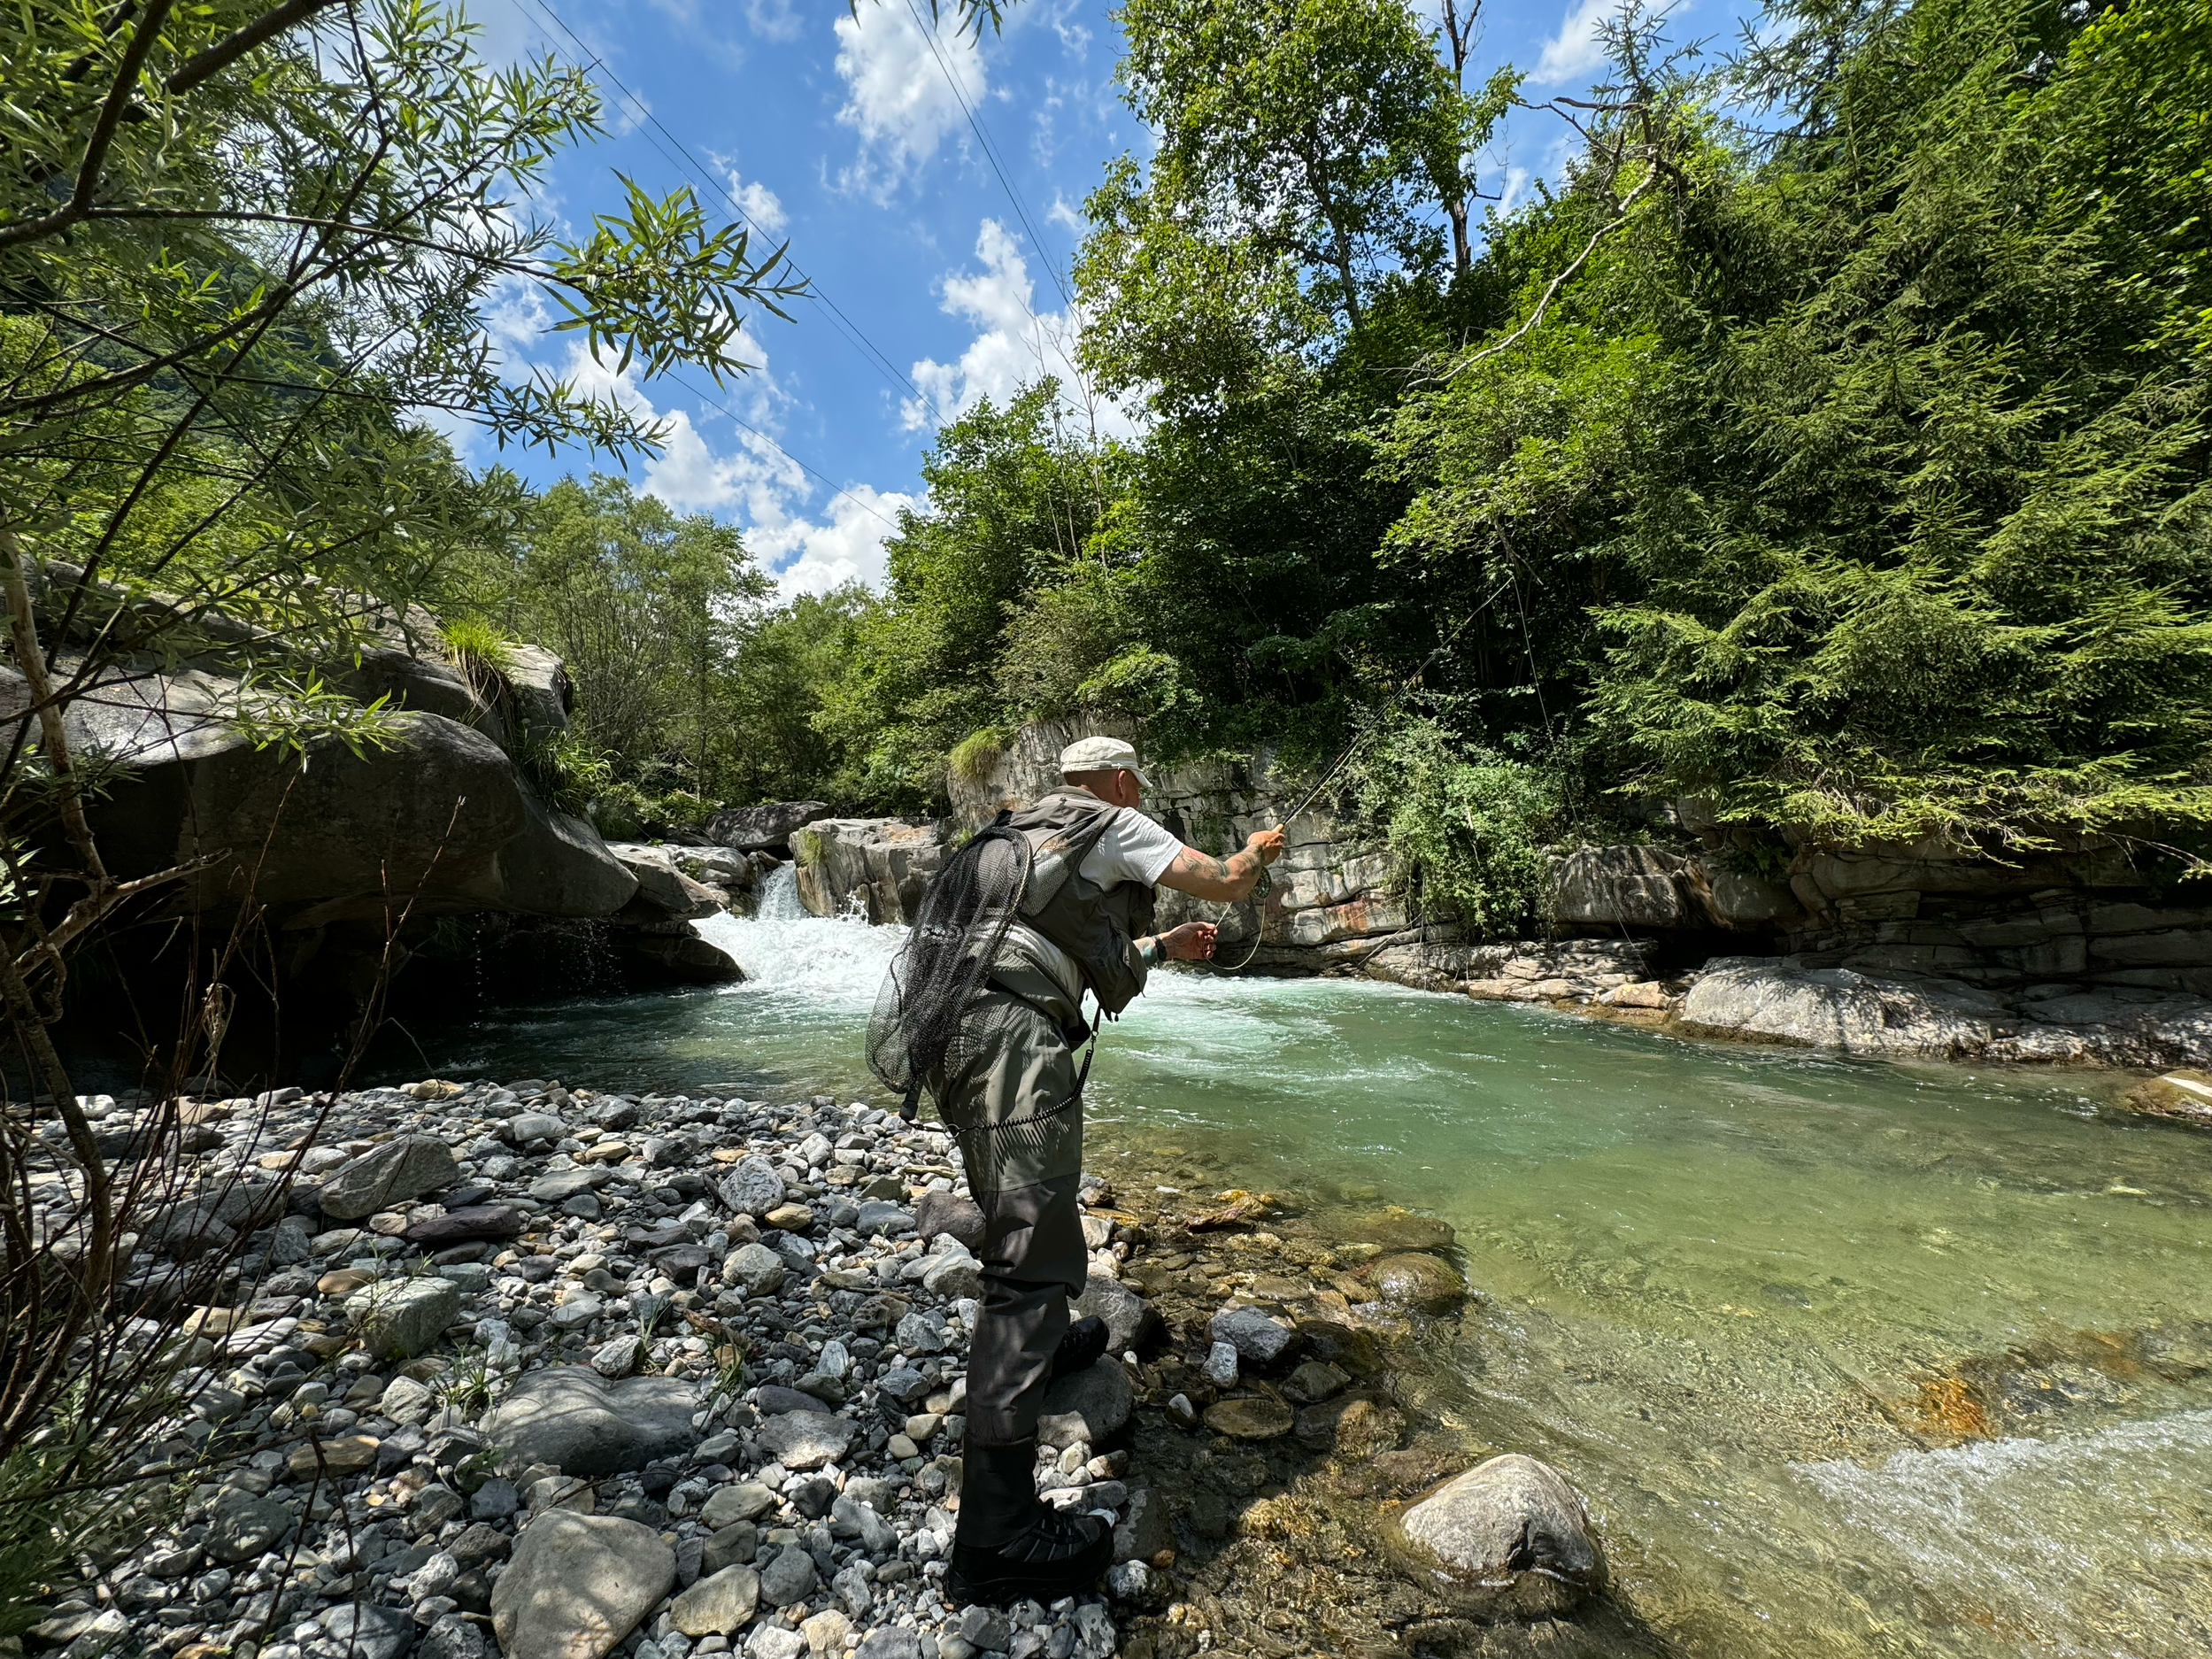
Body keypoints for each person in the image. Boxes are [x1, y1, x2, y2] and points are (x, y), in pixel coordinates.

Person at [933, 734, 1284, 1606]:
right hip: (1015, 1037)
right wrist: (1261, 850)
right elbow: (1228, 879)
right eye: (1136, 783)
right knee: (1031, 1264)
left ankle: (1048, 1353)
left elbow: (1063, 949)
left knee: (1009, 1212)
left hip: (951, 1025)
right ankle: (997, 1537)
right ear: (1123, 780)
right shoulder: (1117, 820)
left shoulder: (1018, 833)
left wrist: (1161, 945)